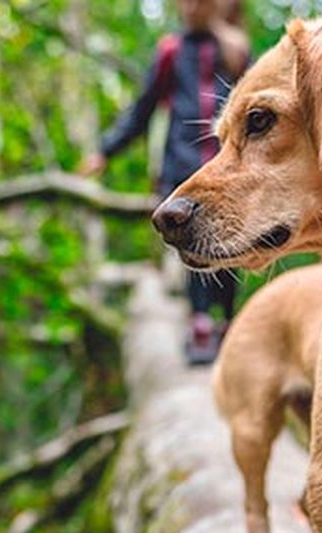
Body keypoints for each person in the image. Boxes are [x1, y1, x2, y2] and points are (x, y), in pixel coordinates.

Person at [79, 0, 249, 365]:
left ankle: (227, 324)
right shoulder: (172, 51)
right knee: (194, 243)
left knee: (230, 243)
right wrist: (105, 151)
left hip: (226, 168)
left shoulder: (234, 49)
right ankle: (200, 323)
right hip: (182, 167)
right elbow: (142, 109)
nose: (190, 8)